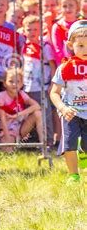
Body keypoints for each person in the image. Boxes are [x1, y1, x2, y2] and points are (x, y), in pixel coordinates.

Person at [50, 20, 87, 183]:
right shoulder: (65, 67)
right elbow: (54, 92)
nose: (85, 50)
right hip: (71, 112)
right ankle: (74, 175)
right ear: (71, 45)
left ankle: (84, 154)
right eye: (80, 46)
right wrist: (63, 108)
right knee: (70, 143)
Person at [21, 15, 56, 146]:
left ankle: (49, 142)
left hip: (42, 87)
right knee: (31, 115)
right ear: (24, 31)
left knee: (45, 115)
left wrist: (52, 84)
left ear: (41, 30)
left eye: (35, 29)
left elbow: (53, 66)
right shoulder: (24, 46)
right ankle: (34, 140)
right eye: (29, 30)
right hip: (27, 87)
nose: (32, 33)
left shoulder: (44, 46)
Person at [0, 67, 44, 152]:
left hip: (20, 129)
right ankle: (10, 143)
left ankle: (43, 145)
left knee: (38, 113)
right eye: (11, 81)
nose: (14, 84)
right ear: (4, 83)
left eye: (17, 82)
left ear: (22, 84)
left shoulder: (21, 94)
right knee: (8, 151)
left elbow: (37, 106)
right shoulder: (1, 96)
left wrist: (18, 114)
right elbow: (2, 118)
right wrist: (7, 137)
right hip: (7, 130)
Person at [51, 0, 80, 65]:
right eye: (64, 6)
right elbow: (57, 49)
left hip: (81, 63)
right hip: (65, 64)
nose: (68, 9)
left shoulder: (81, 24)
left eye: (71, 5)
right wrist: (66, 63)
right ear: (60, 8)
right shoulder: (57, 26)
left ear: (77, 6)